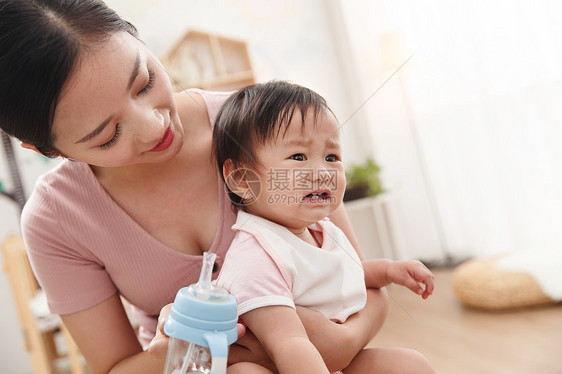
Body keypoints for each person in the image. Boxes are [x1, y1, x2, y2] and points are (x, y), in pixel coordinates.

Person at [0, 1, 389, 373]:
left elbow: (359, 279)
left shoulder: (263, 130)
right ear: (46, 149)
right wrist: (176, 352)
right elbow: (114, 367)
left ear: (137, 39)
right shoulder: (56, 218)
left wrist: (342, 342)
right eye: (108, 135)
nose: (156, 127)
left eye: (144, 83)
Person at [212, 81, 436, 374]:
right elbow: (290, 342)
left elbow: (344, 272)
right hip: (286, 364)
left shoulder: (322, 230)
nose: (322, 172)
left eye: (331, 157)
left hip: (330, 361)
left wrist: (388, 270)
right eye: (298, 157)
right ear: (241, 179)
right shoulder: (256, 256)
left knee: (411, 365)